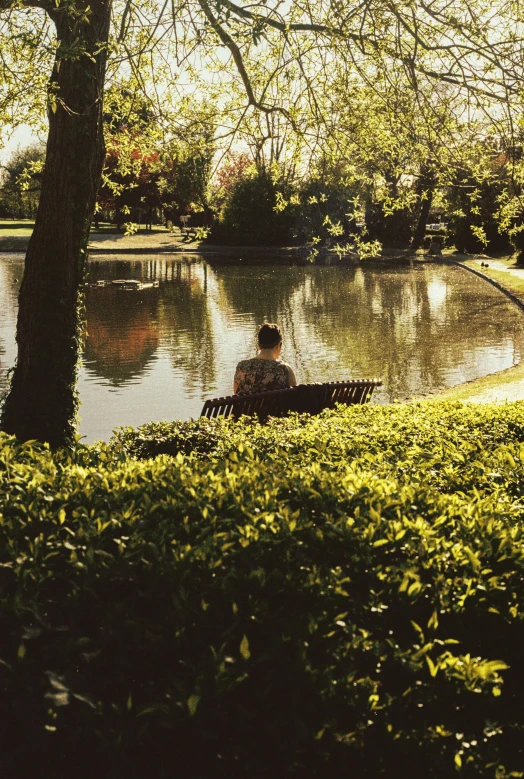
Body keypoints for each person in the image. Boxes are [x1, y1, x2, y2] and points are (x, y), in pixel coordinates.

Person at [234, 322, 297, 395]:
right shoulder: (285, 369)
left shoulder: (241, 367)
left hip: (247, 406)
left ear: (259, 346)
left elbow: (236, 395)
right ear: (278, 346)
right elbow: (295, 400)